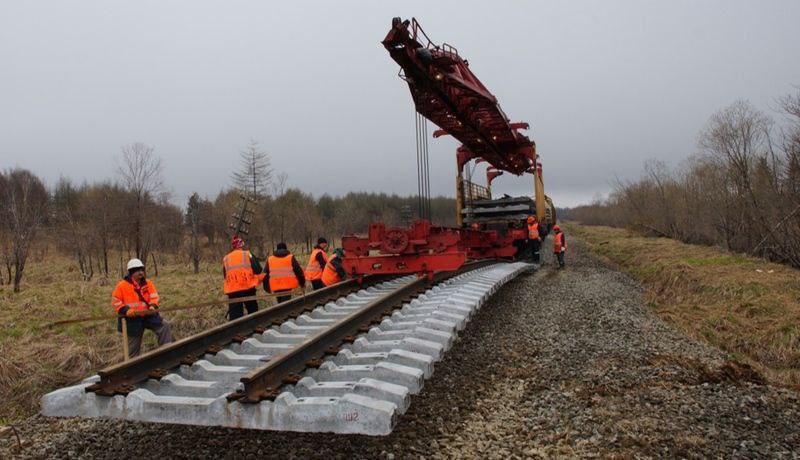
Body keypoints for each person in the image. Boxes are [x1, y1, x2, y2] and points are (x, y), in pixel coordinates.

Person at [112, 258, 173, 358]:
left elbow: (154, 297)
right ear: (132, 272)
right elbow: (116, 302)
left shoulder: (148, 283)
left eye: (142, 270)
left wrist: (153, 306)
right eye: (138, 270)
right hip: (132, 319)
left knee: (164, 326)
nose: (141, 272)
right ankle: (133, 368)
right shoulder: (122, 286)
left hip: (148, 315)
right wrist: (127, 311)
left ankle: (167, 354)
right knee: (132, 350)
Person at [223, 235, 264, 321]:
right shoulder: (247, 254)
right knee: (253, 312)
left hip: (232, 290)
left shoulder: (226, 258)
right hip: (247, 287)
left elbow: (225, 275)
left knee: (235, 317)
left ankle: (235, 332)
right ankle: (254, 327)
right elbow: (258, 269)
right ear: (241, 245)